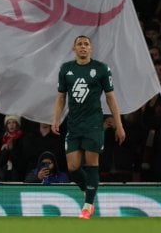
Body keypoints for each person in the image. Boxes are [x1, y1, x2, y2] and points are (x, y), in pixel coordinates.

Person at [52, 35, 125, 220]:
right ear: (73, 48)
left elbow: (111, 98)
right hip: (74, 125)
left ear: (91, 48)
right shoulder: (66, 69)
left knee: (91, 164)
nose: (83, 47)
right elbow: (61, 97)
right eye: (79, 44)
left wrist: (119, 124)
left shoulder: (101, 68)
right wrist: (55, 119)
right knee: (73, 167)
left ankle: (88, 206)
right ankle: (89, 192)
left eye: (86, 44)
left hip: (93, 124)